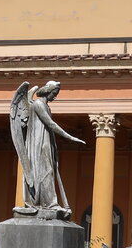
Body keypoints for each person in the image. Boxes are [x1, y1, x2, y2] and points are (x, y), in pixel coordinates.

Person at [10, 81, 85, 211]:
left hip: (45, 141)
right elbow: (50, 124)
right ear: (48, 91)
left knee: (47, 171)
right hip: (38, 143)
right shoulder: (38, 104)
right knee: (45, 172)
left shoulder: (45, 105)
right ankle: (50, 203)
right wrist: (71, 137)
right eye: (54, 93)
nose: (55, 97)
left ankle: (46, 203)